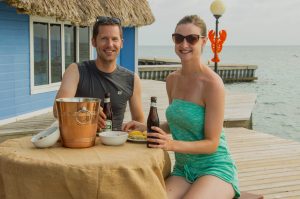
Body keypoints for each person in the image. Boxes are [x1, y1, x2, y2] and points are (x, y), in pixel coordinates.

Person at [123, 15, 240, 198]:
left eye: (191, 39)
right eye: (179, 38)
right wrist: (147, 129)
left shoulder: (212, 84)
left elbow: (212, 143)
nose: (184, 44)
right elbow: (179, 124)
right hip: (183, 169)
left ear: (203, 41)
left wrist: (170, 144)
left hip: (214, 168)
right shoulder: (172, 80)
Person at [53, 16, 144, 130]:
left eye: (115, 39)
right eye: (104, 38)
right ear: (94, 42)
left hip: (115, 144)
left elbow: (139, 122)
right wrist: (87, 110)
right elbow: (57, 110)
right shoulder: (75, 70)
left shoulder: (132, 79)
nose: (110, 44)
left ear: (121, 43)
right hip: (80, 142)